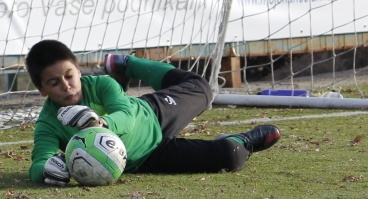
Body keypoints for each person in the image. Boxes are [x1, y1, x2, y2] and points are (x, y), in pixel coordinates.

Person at [25, 39, 280, 185]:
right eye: (54, 83)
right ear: (41, 89)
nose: (67, 86)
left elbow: (125, 116)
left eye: (69, 76)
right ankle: (242, 140)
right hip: (145, 160)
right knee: (231, 155)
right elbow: (39, 161)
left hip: (153, 114)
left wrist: (99, 122)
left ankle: (128, 65)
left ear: (79, 71)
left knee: (203, 90)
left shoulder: (103, 84)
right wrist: (48, 170)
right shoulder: (48, 123)